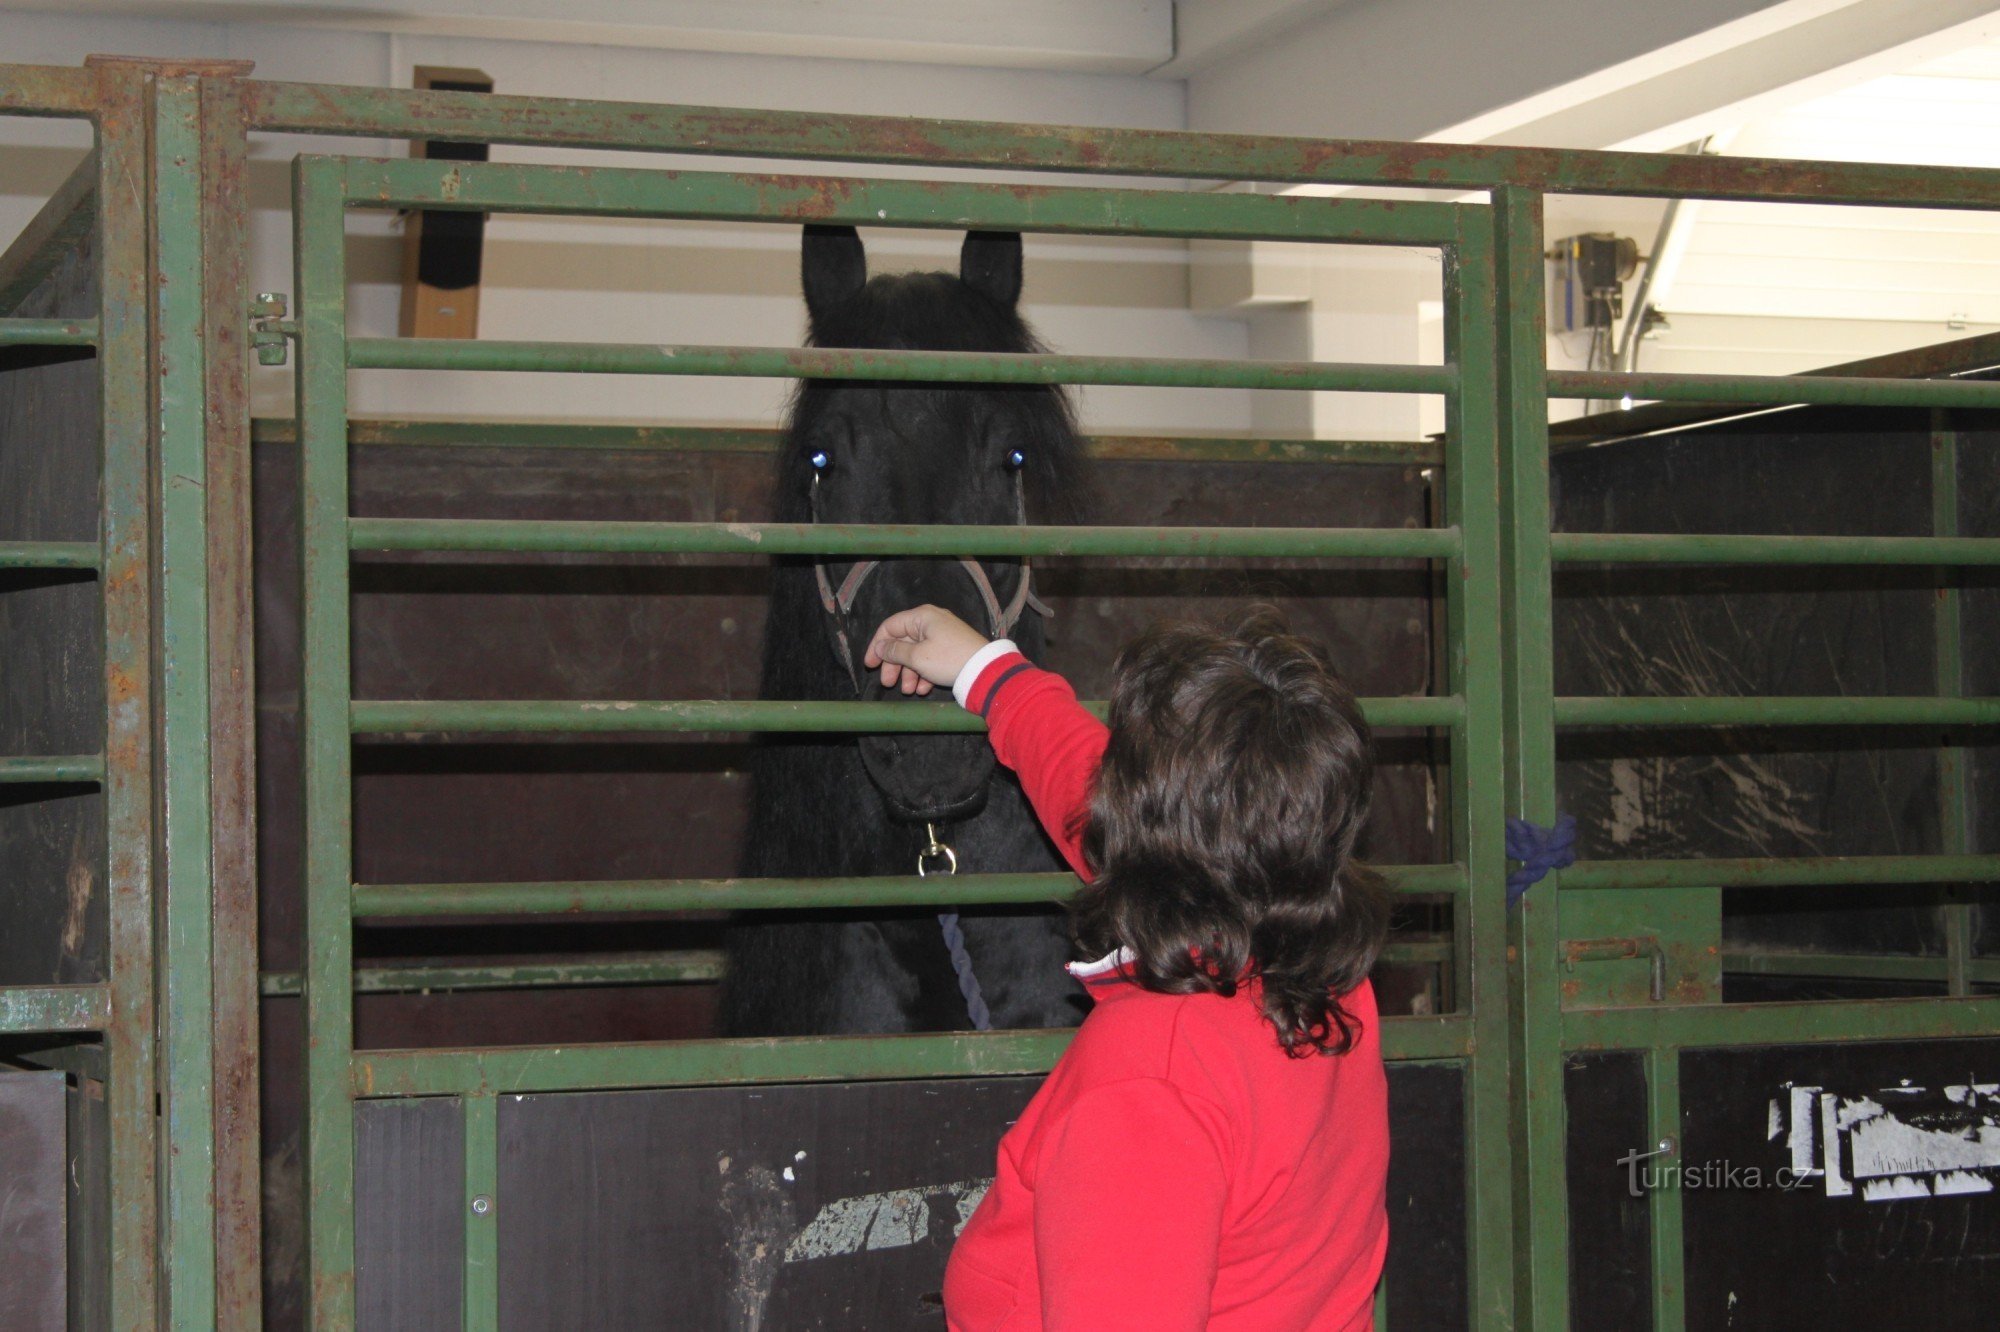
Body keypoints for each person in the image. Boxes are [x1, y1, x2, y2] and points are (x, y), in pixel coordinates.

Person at [861, 603, 1392, 1332]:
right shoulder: (1324, 969)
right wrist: (992, 674)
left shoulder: (1151, 1079)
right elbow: (1142, 827)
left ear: (1144, 821)